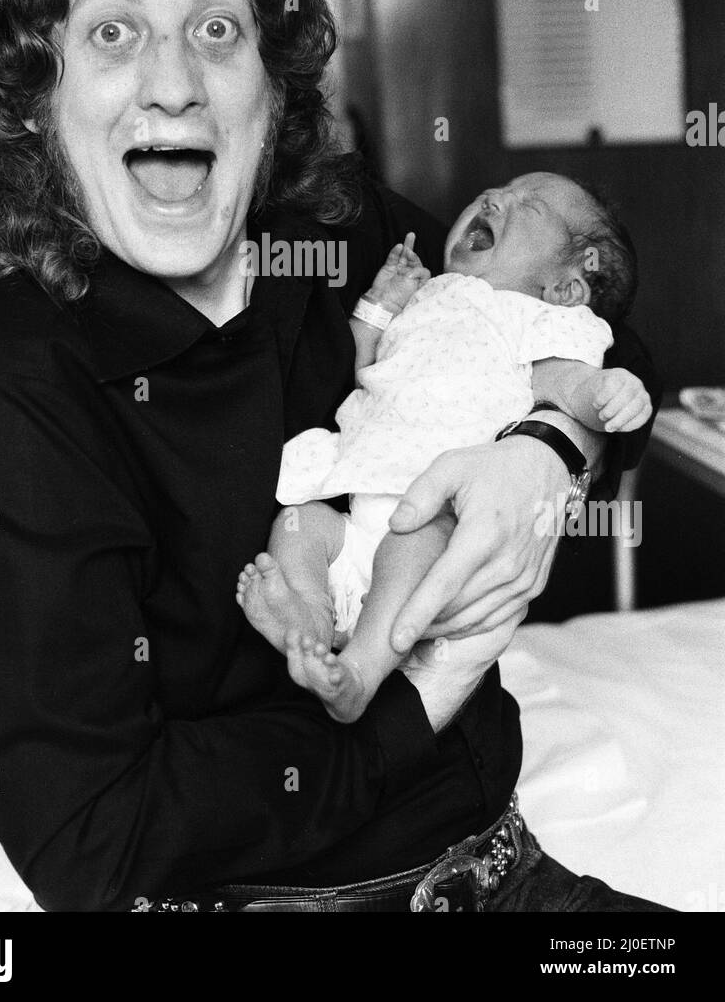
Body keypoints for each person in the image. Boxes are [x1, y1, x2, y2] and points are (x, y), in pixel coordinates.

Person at [0, 0, 670, 912]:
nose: (172, 84)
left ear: (272, 80)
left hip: (505, 881)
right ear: (43, 93)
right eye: (114, 31)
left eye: (216, 29)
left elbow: (607, 339)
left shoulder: (335, 228)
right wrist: (414, 704)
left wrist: (551, 445)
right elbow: (97, 840)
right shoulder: (18, 391)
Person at [238, 176, 651, 723]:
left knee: (410, 541)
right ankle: (309, 621)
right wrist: (379, 306)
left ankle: (360, 670)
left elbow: (569, 386)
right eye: (497, 189)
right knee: (302, 523)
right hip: (356, 516)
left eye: (528, 204)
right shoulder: (431, 293)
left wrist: (609, 393)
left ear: (566, 288)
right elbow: (359, 370)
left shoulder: (538, 320)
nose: (493, 198)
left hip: (437, 519)